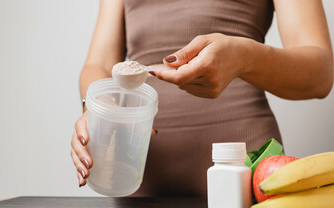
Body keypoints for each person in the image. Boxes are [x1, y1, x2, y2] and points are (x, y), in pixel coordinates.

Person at [71, 0, 333, 196]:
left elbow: (320, 74)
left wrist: (243, 57)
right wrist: (99, 110)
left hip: (244, 172)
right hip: (137, 173)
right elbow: (100, 64)